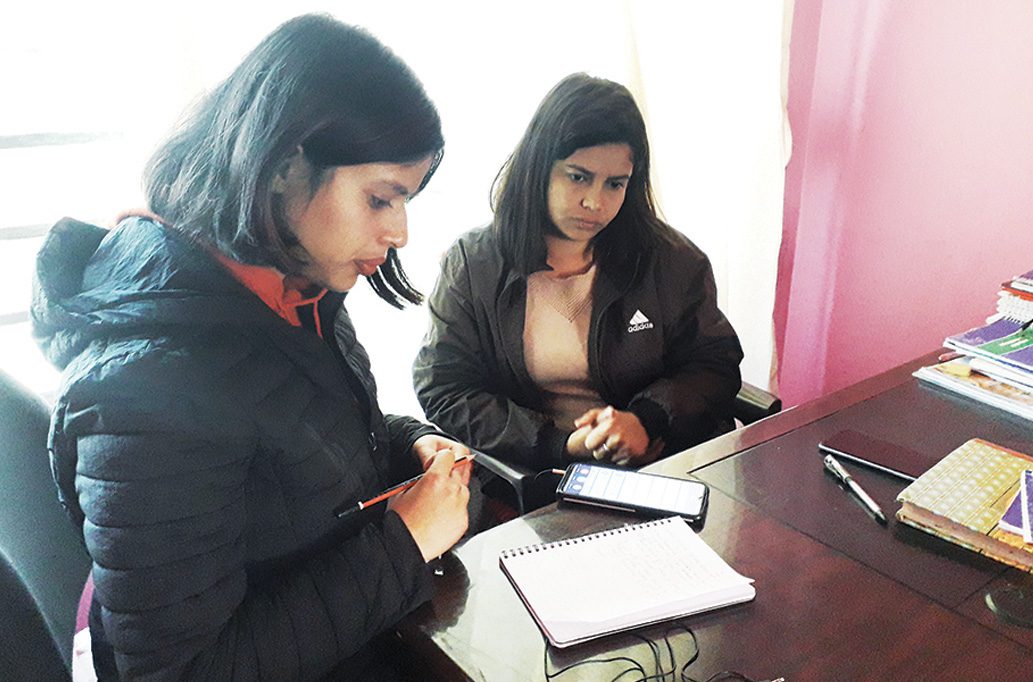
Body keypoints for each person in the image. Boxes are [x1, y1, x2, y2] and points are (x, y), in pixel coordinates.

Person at [31, 14, 471, 680]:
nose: (400, 232)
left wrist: (411, 442)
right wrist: (405, 542)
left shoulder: (292, 289)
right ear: (285, 166)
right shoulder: (144, 394)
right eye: (382, 198)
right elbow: (183, 671)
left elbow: (303, 443)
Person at [413, 73, 743, 477]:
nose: (594, 202)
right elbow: (445, 389)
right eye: (578, 177)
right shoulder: (473, 265)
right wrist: (559, 444)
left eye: (615, 184)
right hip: (539, 477)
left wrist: (647, 419)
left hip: (662, 466)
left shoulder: (671, 260)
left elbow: (715, 364)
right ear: (538, 168)